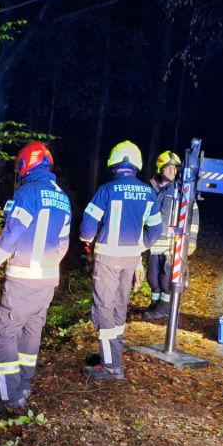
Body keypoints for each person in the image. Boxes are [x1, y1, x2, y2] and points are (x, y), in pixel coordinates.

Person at [0, 141, 72, 416]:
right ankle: (23, 387)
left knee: (4, 336)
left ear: (25, 164)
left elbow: (12, 234)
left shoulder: (27, 192)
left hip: (22, 279)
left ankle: (9, 399)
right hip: (47, 279)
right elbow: (64, 242)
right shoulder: (62, 197)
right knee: (32, 331)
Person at [80, 141, 161, 381]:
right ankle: (113, 356)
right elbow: (155, 230)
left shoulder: (106, 190)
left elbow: (87, 227)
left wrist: (87, 240)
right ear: (136, 164)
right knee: (118, 307)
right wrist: (139, 247)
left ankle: (110, 367)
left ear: (114, 163)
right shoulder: (149, 193)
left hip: (107, 259)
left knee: (103, 309)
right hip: (130, 259)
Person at [143, 150, 181, 321]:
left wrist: (192, 240)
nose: (173, 171)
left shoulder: (180, 191)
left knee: (166, 277)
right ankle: (155, 303)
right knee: (152, 276)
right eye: (169, 168)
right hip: (152, 241)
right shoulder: (149, 188)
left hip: (171, 243)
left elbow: (192, 213)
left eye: (175, 169)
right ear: (160, 168)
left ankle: (164, 308)